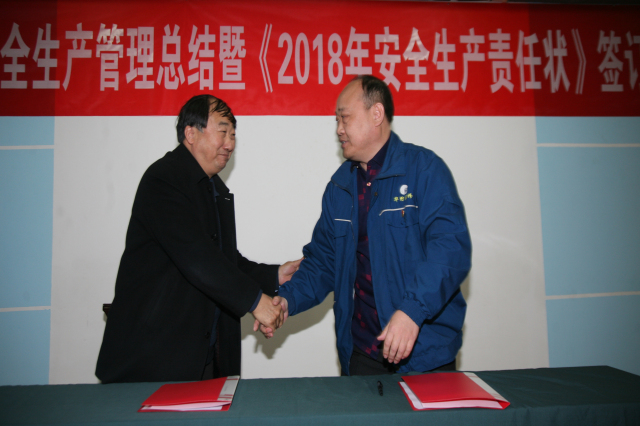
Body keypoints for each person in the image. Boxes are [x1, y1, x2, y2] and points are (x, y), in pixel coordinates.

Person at [267, 75, 471, 375]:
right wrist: (287, 300)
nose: (339, 129)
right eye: (337, 120)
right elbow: (323, 262)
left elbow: (450, 250)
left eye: (345, 118)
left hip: (424, 354)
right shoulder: (340, 188)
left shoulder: (424, 170)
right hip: (362, 352)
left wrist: (412, 311)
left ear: (376, 114)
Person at [96, 94, 300, 383]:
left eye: (233, 135)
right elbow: (197, 258)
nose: (229, 144)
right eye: (222, 132)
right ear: (191, 134)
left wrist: (274, 275)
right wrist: (256, 302)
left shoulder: (214, 190)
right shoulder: (163, 180)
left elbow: (224, 260)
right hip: (153, 358)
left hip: (201, 358)